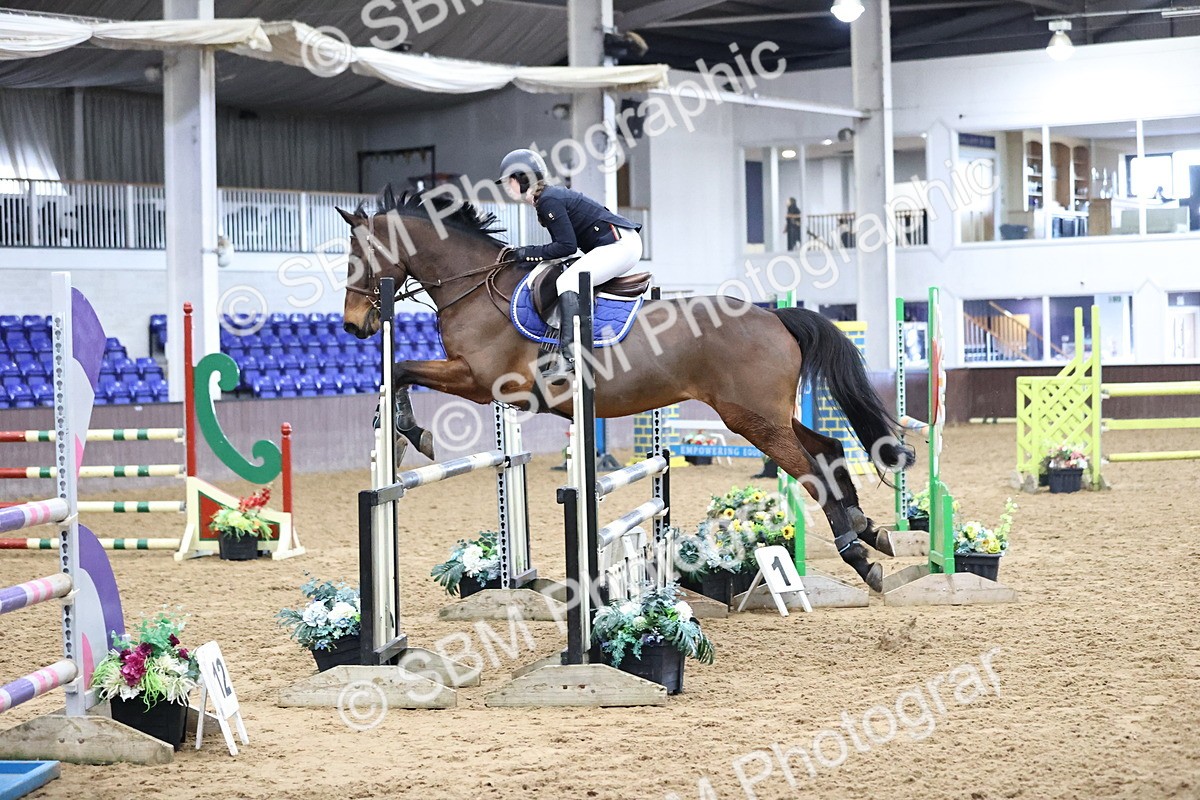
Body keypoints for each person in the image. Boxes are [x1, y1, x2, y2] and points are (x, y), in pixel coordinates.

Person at [496, 148, 643, 383]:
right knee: (563, 274)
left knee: (567, 281)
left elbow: (566, 246)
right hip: (615, 244)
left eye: (509, 181)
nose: (506, 187)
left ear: (524, 178)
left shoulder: (548, 200)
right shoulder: (545, 199)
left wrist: (524, 253)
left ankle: (570, 356)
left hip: (620, 245)